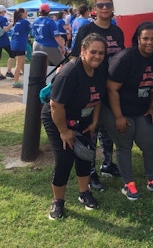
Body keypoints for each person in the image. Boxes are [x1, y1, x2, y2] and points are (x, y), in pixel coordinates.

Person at [41, 33, 107, 220]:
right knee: (64, 159)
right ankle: (57, 202)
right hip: (58, 118)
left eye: (101, 53)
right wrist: (63, 131)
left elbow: (99, 98)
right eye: (93, 52)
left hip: (83, 118)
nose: (97, 56)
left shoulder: (100, 70)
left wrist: (94, 121)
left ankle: (84, 193)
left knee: (85, 155)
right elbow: (55, 105)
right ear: (83, 51)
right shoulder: (70, 72)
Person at [101, 22, 153, 200]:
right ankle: (128, 184)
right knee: (124, 143)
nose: (149, 42)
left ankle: (152, 179)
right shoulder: (126, 58)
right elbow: (111, 89)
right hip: (116, 108)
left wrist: (152, 106)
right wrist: (118, 116)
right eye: (145, 38)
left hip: (140, 108)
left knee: (150, 141)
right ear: (138, 38)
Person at [71, 0, 125, 192]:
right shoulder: (86, 29)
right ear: (95, 7)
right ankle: (90, 170)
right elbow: (76, 57)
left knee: (107, 128)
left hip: (111, 86)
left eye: (108, 5)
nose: (104, 8)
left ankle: (107, 164)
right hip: (90, 85)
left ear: (112, 7)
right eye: (100, 5)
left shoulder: (117, 31)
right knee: (90, 129)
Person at [10, 8, 31, 88]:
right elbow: (31, 31)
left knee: (22, 62)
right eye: (26, 13)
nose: (27, 14)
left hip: (14, 44)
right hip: (21, 44)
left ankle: (26, 79)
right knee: (19, 63)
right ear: (22, 14)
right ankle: (15, 82)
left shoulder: (15, 22)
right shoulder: (24, 22)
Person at [0, 4, 15, 79]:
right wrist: (11, 24)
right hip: (3, 40)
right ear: (2, 11)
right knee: (12, 54)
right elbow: (5, 29)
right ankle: (8, 71)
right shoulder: (2, 19)